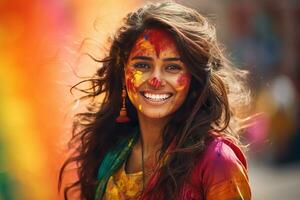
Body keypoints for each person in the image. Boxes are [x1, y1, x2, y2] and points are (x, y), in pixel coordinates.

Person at [59, 2, 252, 200]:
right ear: (123, 72)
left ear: (194, 79)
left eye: (172, 67)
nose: (155, 80)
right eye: (142, 65)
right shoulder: (109, 154)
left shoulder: (217, 161)